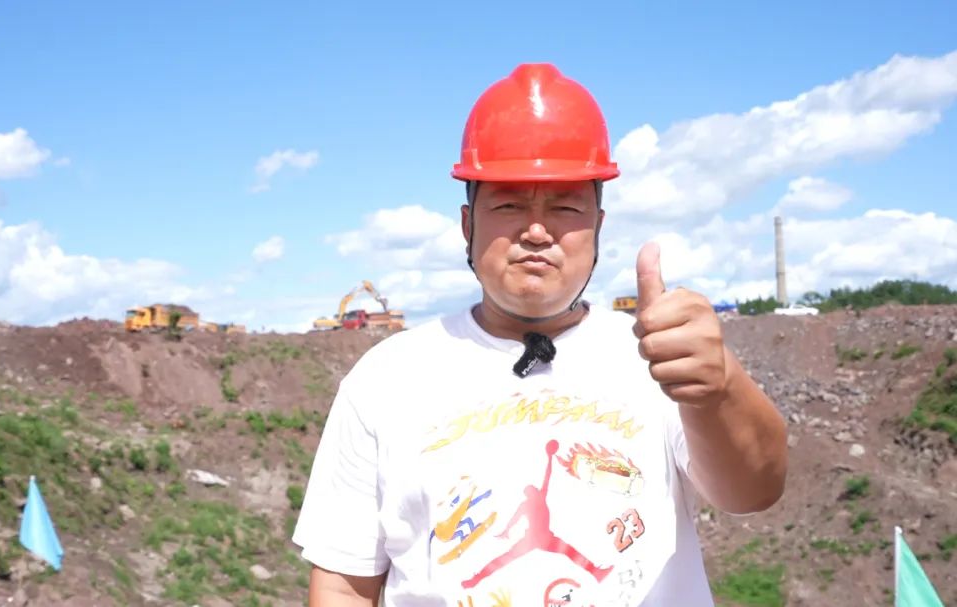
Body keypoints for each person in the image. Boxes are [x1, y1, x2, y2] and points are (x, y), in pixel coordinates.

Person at [292, 63, 788, 607]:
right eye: (508, 204)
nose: (535, 230)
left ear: (598, 226)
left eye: (565, 206)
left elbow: (754, 490)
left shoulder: (659, 357)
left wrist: (718, 390)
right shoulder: (386, 379)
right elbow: (343, 585)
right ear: (467, 225)